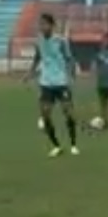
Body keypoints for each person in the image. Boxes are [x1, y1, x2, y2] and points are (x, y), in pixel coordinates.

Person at [27, 13, 79, 156]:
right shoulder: (39, 41)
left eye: (45, 24)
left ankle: (73, 144)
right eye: (41, 24)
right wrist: (30, 72)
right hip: (46, 82)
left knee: (68, 113)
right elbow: (38, 57)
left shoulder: (61, 41)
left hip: (61, 82)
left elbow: (69, 58)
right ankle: (56, 146)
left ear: (52, 25)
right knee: (45, 114)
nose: (42, 27)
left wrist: (72, 72)